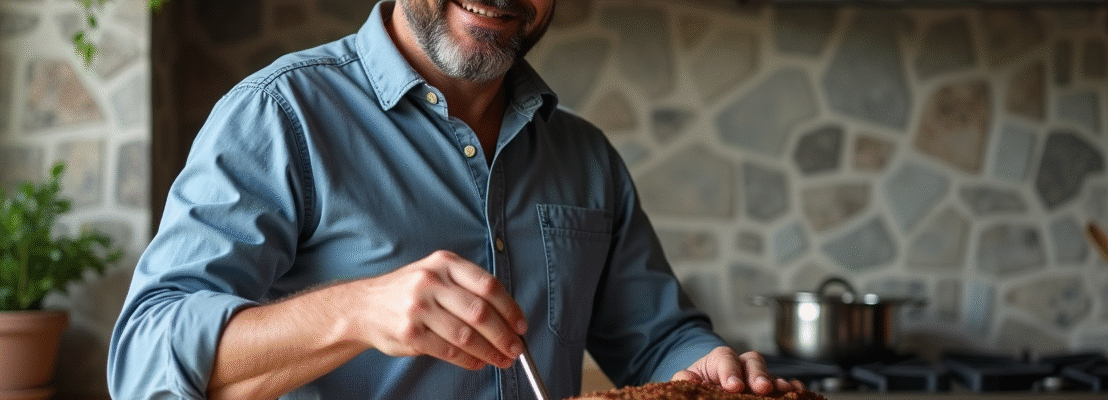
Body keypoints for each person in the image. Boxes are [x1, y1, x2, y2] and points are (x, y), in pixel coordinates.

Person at [107, 0, 806, 398]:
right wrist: (357, 311)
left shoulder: (586, 155)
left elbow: (658, 339)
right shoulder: (279, 113)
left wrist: (709, 366)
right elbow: (142, 363)